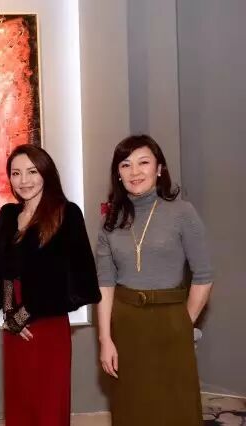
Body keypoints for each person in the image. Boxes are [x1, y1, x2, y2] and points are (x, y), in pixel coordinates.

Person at [96, 135, 213, 426]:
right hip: (126, 324)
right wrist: (105, 339)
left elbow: (203, 276)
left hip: (171, 320)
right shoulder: (111, 220)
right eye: (125, 165)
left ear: (159, 169)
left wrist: (184, 322)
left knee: (175, 406)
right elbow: (105, 284)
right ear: (118, 174)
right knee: (131, 406)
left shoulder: (182, 213)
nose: (134, 172)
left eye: (143, 162)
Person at [0, 144, 101, 426]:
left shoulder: (66, 213)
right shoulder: (7, 215)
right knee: (20, 402)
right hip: (14, 326)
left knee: (48, 404)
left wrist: (26, 313)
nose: (24, 180)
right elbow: (3, 271)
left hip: (49, 325)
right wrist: (10, 313)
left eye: (32, 171)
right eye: (16, 173)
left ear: (46, 173)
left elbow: (84, 280)